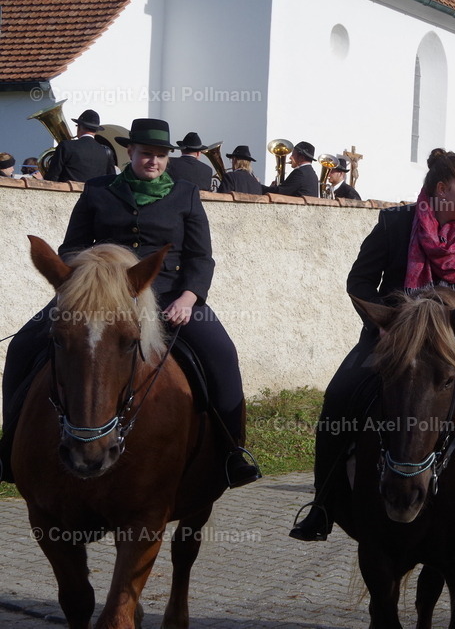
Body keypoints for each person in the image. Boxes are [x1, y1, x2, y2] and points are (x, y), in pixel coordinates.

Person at [289, 148, 455, 547]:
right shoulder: (395, 224)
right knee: (339, 396)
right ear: (443, 189)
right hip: (396, 339)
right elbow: (360, 283)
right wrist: (386, 324)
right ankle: (323, 504)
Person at [0, 118, 260, 489]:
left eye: (159, 155)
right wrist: (86, 281)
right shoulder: (98, 190)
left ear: (167, 158)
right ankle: (8, 446)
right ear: (131, 153)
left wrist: (190, 297)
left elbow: (201, 257)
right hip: (98, 297)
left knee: (221, 352)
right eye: (145, 154)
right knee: (24, 346)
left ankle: (233, 452)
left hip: (170, 296)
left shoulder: (186, 194)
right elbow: (72, 247)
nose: (152, 161)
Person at [46, 109, 116, 182]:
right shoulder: (106, 151)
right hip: (95, 193)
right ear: (96, 130)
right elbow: (111, 180)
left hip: (69, 192)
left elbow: (52, 177)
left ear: (79, 127)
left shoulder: (65, 145)